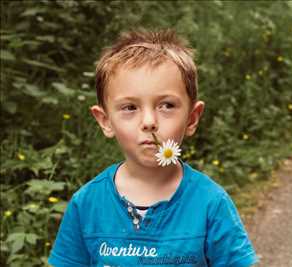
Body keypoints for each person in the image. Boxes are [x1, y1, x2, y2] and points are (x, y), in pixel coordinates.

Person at [48, 28, 259, 267]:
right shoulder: (87, 204)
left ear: (192, 118)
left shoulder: (211, 203)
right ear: (105, 121)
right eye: (130, 108)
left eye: (166, 105)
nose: (149, 122)